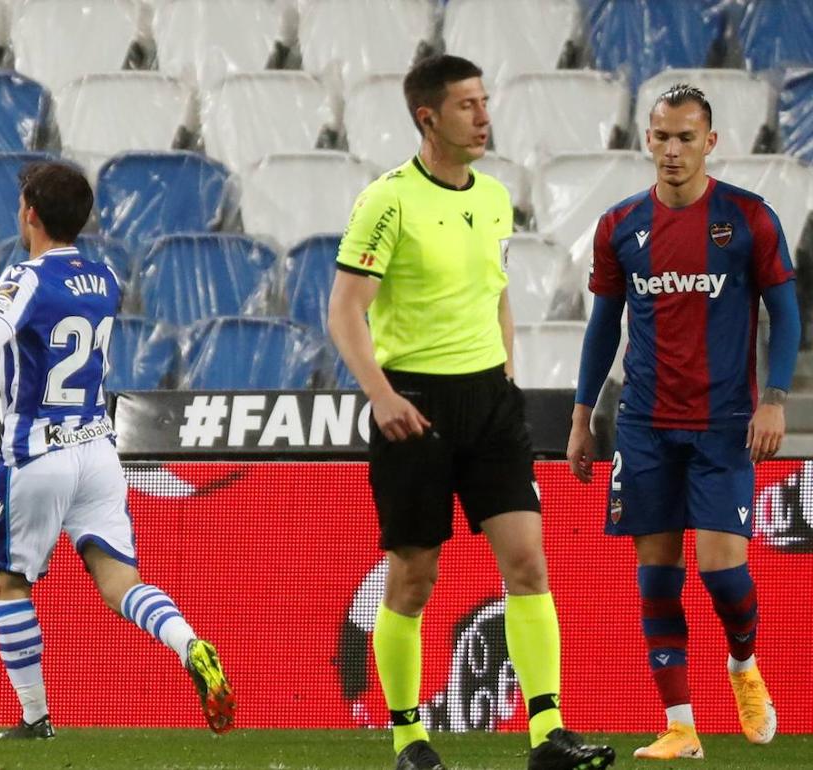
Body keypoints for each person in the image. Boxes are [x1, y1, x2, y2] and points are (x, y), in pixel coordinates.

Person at [0, 161, 236, 739]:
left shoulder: (26, 277)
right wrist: (12, 303)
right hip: (96, 449)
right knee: (121, 583)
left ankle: (36, 717)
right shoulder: (106, 277)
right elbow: (55, 319)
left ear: (30, 214)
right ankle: (189, 644)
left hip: (37, 451)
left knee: (10, 584)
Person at [326, 54, 615, 770]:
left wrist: (508, 377)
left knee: (528, 565)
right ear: (428, 118)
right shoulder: (386, 201)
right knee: (414, 578)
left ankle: (547, 734)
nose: (484, 116)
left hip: (491, 404)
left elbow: (497, 294)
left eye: (485, 102)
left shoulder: (493, 196)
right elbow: (345, 310)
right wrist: (383, 397)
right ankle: (407, 737)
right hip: (415, 406)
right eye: (467, 105)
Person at [567, 84, 796, 760]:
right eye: (661, 136)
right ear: (648, 138)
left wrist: (775, 398)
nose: (672, 150)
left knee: (724, 575)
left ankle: (744, 666)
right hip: (643, 426)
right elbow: (604, 324)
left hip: (724, 425)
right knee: (657, 577)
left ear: (710, 142)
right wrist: (583, 418)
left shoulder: (748, 219)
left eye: (685, 138)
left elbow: (785, 314)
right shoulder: (619, 226)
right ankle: (681, 727)